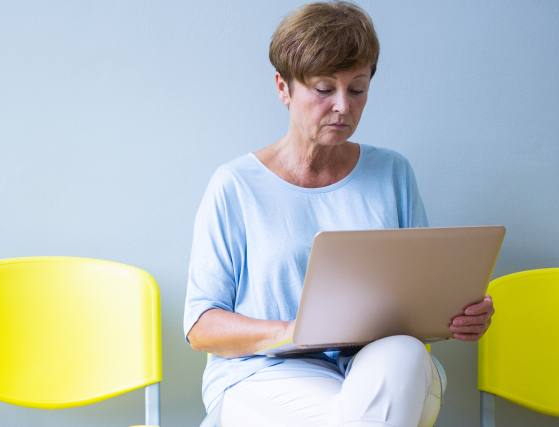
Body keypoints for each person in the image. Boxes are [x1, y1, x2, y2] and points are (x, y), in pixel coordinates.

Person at [182, 2, 495, 426]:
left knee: (403, 354)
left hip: (380, 372)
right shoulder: (235, 186)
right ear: (283, 87)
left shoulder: (393, 173)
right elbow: (202, 327)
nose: (343, 107)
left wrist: (459, 312)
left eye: (358, 89)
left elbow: (421, 300)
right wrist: (294, 331)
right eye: (324, 89)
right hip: (263, 373)